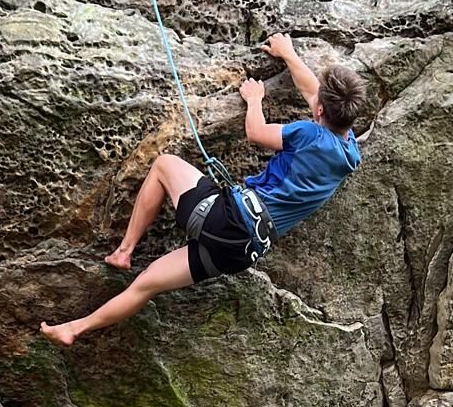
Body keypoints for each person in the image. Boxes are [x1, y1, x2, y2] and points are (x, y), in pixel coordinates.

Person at [39, 33, 366, 347]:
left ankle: (125, 250)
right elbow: (314, 94)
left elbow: (256, 132)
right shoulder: (349, 153)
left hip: (225, 219)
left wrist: (255, 100)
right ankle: (75, 328)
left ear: (320, 111)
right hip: (243, 250)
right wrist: (289, 54)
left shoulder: (308, 133)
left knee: (164, 164)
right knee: (147, 284)